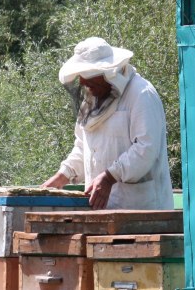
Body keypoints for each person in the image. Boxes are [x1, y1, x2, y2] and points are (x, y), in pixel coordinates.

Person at [42, 37, 173, 210]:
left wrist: (110, 176)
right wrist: (63, 176)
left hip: (143, 212)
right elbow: (83, 147)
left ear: (109, 73)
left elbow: (146, 148)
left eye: (88, 75)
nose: (82, 82)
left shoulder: (141, 94)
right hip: (103, 212)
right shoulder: (91, 100)